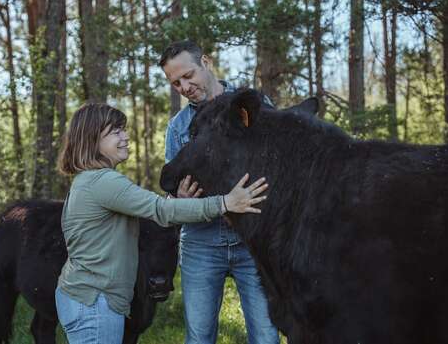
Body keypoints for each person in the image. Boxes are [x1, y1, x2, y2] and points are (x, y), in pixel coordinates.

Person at [55, 103, 268, 344]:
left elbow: (152, 211)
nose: (125, 137)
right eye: (115, 132)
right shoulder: (103, 182)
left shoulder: (87, 181)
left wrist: (178, 202)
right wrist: (226, 203)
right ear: (92, 140)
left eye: (123, 130)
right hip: (94, 304)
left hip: (85, 298)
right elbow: (160, 210)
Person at [160, 40, 280, 344]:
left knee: (266, 336)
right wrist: (180, 202)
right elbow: (171, 198)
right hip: (200, 243)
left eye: (188, 76)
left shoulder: (252, 105)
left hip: (251, 242)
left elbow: (279, 171)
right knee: (199, 337)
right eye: (176, 83)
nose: (184, 87)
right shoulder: (178, 128)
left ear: (206, 62)